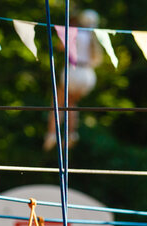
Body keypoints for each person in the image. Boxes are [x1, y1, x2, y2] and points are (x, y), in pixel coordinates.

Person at [43, 9, 102, 151]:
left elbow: (60, 47)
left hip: (73, 71)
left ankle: (52, 134)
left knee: (57, 102)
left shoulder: (74, 33)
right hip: (88, 75)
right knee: (71, 104)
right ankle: (71, 134)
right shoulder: (93, 36)